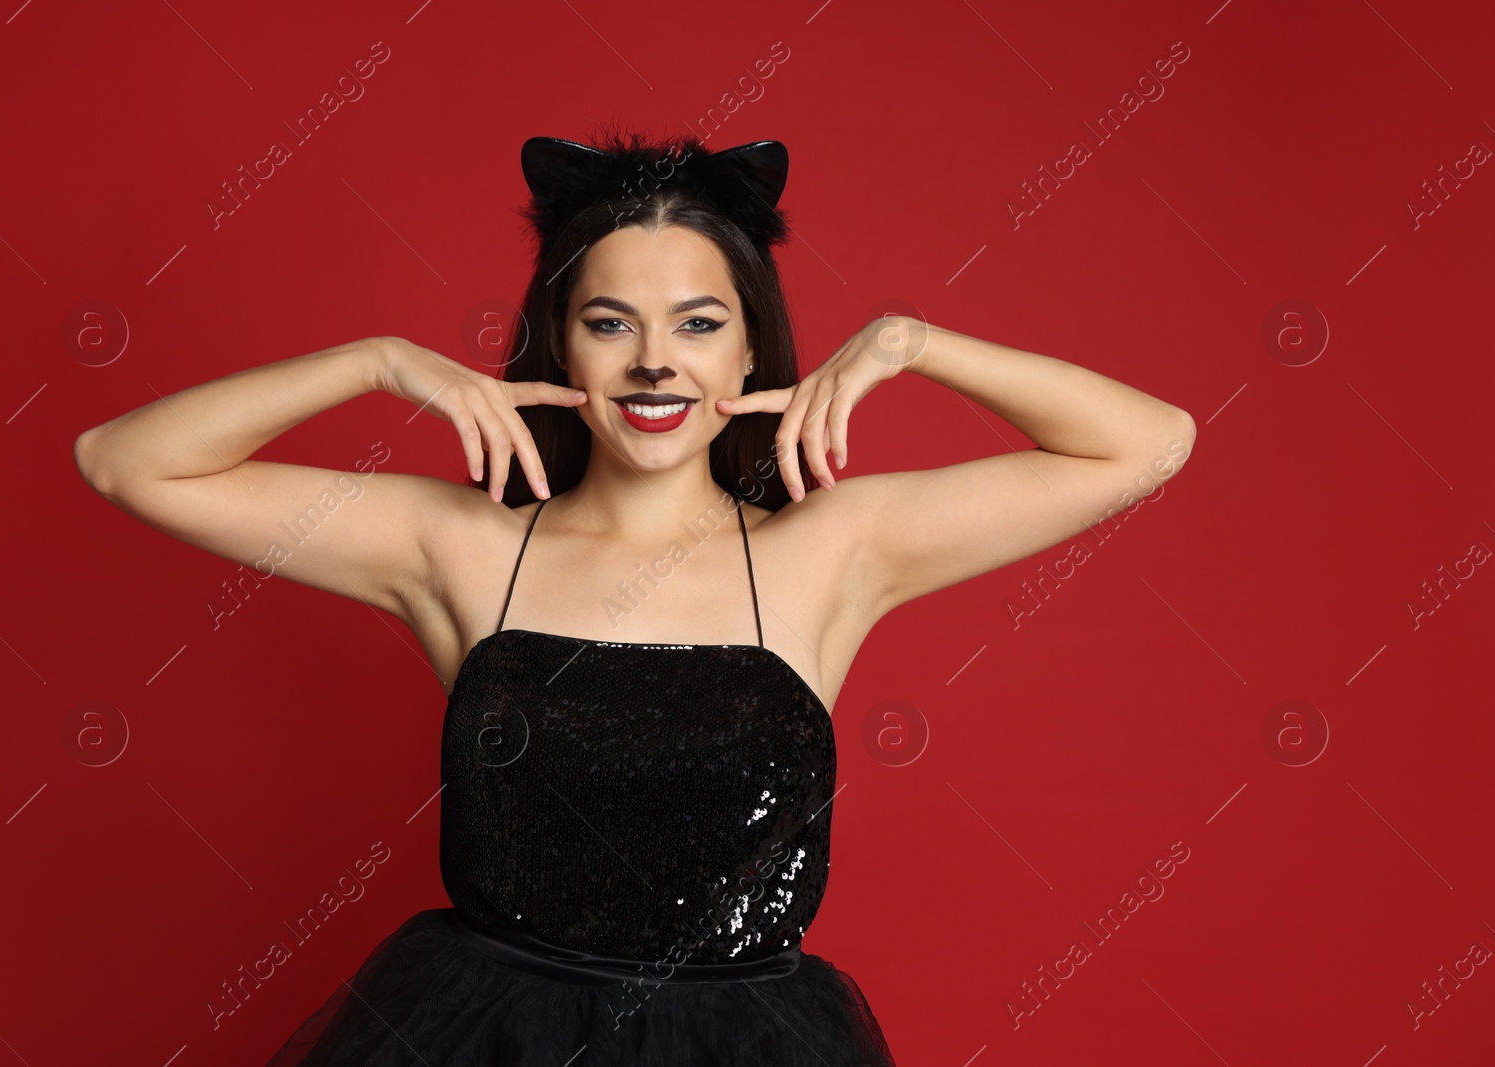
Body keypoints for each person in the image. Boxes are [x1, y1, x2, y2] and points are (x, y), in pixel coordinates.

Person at [73, 129, 1196, 1065]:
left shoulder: (831, 548)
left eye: (699, 324)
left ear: (753, 346)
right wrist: (376, 362)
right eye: (611, 322)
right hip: (478, 1033)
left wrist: (909, 343)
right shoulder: (457, 544)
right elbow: (126, 460)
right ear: (558, 339)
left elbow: (1147, 443)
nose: (656, 362)